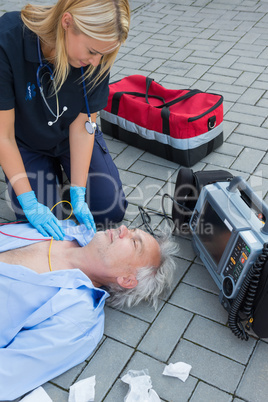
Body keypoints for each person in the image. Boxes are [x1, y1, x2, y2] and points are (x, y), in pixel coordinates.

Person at [0, 221, 179, 401]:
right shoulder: (68, 228)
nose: (123, 228)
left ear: (127, 280)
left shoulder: (78, 317)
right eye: (131, 229)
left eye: (134, 242)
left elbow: (8, 375)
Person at [0, 0, 130, 241]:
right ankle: (46, 177)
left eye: (104, 54)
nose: (96, 62)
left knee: (109, 210)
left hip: (72, 135)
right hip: (25, 141)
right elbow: (3, 135)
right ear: (67, 22)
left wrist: (79, 193)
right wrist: (29, 202)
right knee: (46, 223)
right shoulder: (7, 41)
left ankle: (68, 181)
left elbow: (83, 126)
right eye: (92, 52)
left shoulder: (98, 55)